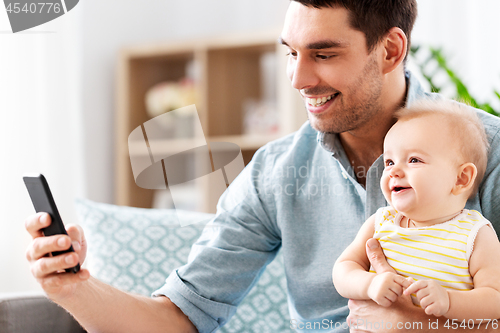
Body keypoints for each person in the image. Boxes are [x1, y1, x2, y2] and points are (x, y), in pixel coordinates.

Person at [24, 1, 500, 332]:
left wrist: (427, 326)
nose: (298, 78)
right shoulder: (275, 172)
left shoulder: (487, 150)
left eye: (324, 53)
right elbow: (177, 319)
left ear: (391, 50)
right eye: (291, 53)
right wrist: (72, 288)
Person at [333, 100, 500, 321]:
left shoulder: (475, 235)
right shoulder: (381, 222)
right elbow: (343, 269)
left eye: (414, 160)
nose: (393, 171)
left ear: (461, 178)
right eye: (390, 161)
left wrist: (449, 301)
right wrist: (369, 284)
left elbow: (495, 299)